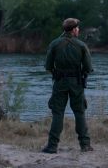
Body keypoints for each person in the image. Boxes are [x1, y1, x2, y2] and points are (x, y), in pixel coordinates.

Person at [42, 18, 94, 154]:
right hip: (77, 83)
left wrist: (57, 74)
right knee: (80, 112)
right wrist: (81, 74)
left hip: (59, 82)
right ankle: (85, 145)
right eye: (77, 28)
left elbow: (48, 67)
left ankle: (52, 146)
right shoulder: (82, 45)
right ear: (74, 29)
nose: (79, 30)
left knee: (58, 113)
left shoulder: (54, 44)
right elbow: (88, 68)